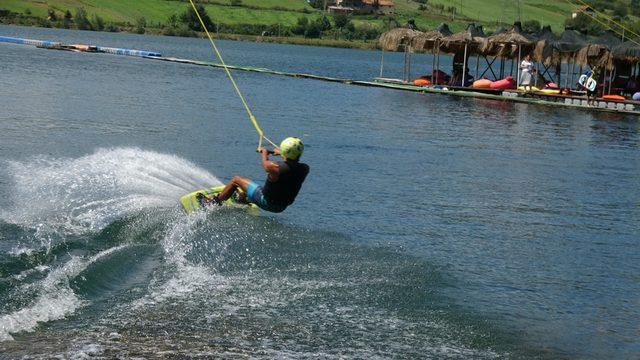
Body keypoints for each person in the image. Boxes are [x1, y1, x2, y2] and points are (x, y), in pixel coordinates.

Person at [206, 137, 309, 213]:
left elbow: (266, 164)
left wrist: (264, 152)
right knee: (262, 187)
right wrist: (282, 153)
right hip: (281, 207)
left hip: (266, 202)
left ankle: (214, 203)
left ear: (284, 152)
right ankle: (241, 198)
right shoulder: (304, 169)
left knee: (236, 180)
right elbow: (289, 166)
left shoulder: (275, 168)